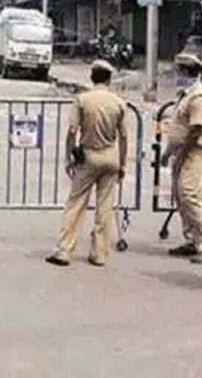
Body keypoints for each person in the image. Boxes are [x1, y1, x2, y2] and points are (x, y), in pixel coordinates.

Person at [47, 60, 129, 267]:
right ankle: (99, 253)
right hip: (111, 157)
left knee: (76, 204)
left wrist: (68, 156)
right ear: (109, 79)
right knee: (105, 206)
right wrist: (122, 164)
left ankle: (64, 250)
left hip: (89, 156)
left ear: (92, 77)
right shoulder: (119, 102)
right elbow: (125, 136)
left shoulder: (82, 100)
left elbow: (72, 131)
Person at [161, 52, 202, 264]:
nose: (176, 75)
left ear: (185, 71)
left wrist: (182, 154)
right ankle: (192, 240)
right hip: (179, 152)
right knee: (180, 197)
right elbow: (179, 128)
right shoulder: (186, 94)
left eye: (178, 71)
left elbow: (195, 130)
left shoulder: (198, 98)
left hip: (191, 153)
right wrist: (168, 153)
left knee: (190, 197)